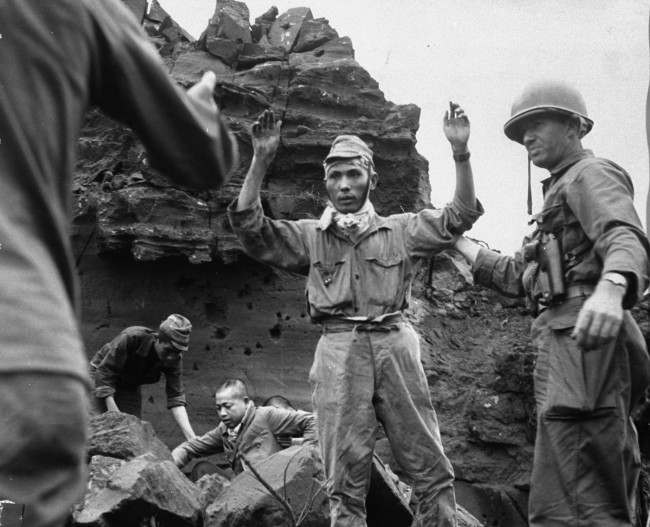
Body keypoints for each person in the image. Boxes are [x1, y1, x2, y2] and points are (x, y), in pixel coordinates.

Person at [0, 1, 238, 525]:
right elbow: (203, 157)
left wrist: (187, 440)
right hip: (22, 342)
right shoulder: (83, 8)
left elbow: (174, 396)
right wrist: (199, 106)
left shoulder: (165, 355)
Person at [228, 105, 483, 526]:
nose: (344, 185)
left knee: (432, 472)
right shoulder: (311, 236)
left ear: (371, 180)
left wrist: (460, 152)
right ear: (326, 183)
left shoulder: (402, 230)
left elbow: (459, 215)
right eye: (335, 177)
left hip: (395, 347)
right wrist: (261, 158)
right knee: (343, 482)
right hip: (337, 352)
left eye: (354, 175)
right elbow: (251, 229)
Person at [454, 79, 650, 526]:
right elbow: (522, 278)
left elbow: (625, 236)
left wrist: (613, 286)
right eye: (521, 128)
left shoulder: (590, 175)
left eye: (536, 123)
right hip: (567, 348)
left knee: (582, 500)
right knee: (567, 489)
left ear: (574, 127)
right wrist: (459, 245)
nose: (525, 136)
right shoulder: (559, 192)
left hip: (582, 346)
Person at [171, 379, 317, 473]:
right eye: (218, 408)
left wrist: (307, 458)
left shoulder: (265, 416)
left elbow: (313, 420)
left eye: (227, 406)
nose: (222, 413)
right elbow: (191, 447)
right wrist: (168, 466)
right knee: (202, 469)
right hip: (243, 493)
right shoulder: (224, 430)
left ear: (246, 402)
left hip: (274, 487)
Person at [90, 314, 197, 439]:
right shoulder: (132, 337)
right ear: (158, 339)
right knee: (98, 426)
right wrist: (114, 415)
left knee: (132, 432)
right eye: (168, 350)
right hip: (100, 375)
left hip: (129, 385)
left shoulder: (174, 359)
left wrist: (192, 438)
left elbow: (176, 397)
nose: (171, 357)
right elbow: (105, 373)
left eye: (177, 352)